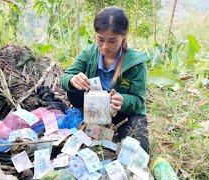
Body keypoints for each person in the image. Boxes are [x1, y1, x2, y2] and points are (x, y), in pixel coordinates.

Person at [60, 6, 149, 153]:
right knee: (74, 90)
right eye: (100, 39)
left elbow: (138, 101)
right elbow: (65, 76)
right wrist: (72, 79)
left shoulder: (136, 63)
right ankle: (93, 123)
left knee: (139, 148)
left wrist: (123, 100)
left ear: (124, 36)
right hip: (94, 109)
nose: (105, 46)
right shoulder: (89, 54)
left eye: (112, 41)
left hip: (122, 114)